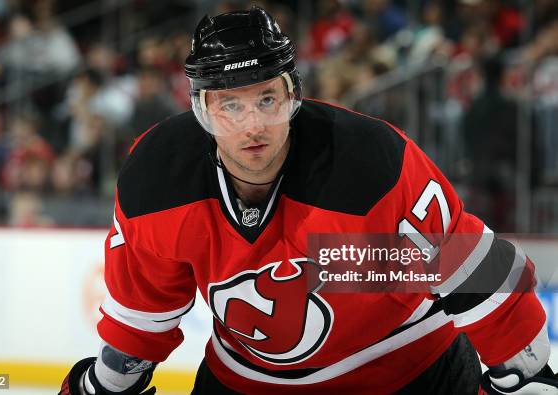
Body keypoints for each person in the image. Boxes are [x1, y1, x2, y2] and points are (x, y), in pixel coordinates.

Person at [60, 7, 556, 395]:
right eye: (229, 104)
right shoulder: (156, 182)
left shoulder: (370, 165)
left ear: (293, 94)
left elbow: (482, 275)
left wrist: (525, 374)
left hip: (411, 374)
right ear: (201, 110)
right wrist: (108, 382)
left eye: (266, 99)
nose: (252, 124)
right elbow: (142, 316)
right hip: (246, 382)